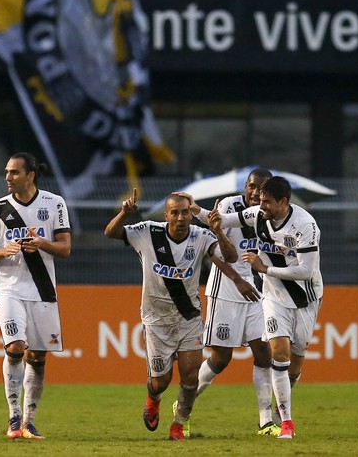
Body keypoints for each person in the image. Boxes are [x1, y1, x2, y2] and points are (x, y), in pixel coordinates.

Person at [195, 176, 323, 439]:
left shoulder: (305, 225)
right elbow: (219, 219)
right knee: (278, 353)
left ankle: (278, 411)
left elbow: (307, 271)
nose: (260, 205)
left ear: (283, 202)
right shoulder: (256, 215)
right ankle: (285, 422)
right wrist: (195, 208)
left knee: (295, 367)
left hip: (305, 299)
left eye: (266, 202)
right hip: (273, 298)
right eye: (260, 200)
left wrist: (265, 269)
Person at [104, 190, 237, 441]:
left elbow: (230, 257)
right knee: (161, 381)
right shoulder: (148, 232)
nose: (180, 217)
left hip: (189, 317)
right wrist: (124, 213)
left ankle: (179, 423)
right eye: (174, 213)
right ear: (166, 215)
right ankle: (153, 399)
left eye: (185, 212)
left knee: (190, 375)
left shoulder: (202, 235)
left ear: (191, 213)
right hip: (156, 320)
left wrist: (219, 230)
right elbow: (110, 232)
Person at [174, 168, 278, 438]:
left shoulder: (266, 213)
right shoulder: (232, 204)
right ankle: (184, 406)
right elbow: (216, 239)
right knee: (221, 358)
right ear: (246, 186)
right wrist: (197, 210)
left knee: (264, 353)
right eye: (253, 186)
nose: (256, 192)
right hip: (226, 290)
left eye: (262, 189)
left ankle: (266, 421)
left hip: (255, 292)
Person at [0, 152, 72, 440]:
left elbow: (65, 248)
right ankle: (14, 418)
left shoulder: (54, 203)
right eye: (7, 172)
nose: (8, 177)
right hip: (9, 288)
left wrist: (43, 243)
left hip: (43, 288)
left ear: (30, 175)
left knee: (37, 356)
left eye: (14, 172)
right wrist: (2, 251)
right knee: (16, 347)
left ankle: (30, 421)